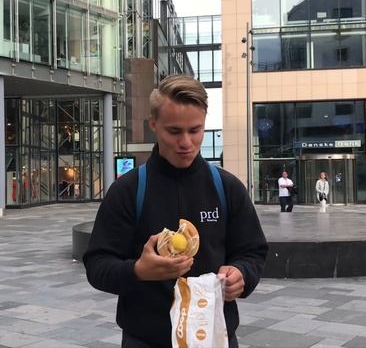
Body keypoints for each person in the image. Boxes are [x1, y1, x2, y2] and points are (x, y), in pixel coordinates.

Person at [83, 75, 268, 348]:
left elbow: (253, 251)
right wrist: (137, 271)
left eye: (195, 130)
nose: (186, 142)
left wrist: (242, 274)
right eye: (174, 131)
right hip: (145, 339)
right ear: (154, 125)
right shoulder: (128, 190)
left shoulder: (227, 188)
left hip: (215, 338)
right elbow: (97, 265)